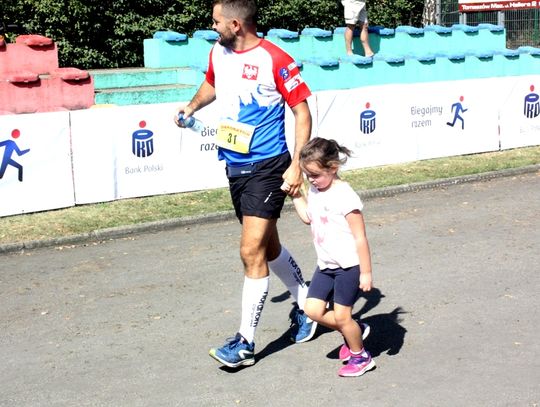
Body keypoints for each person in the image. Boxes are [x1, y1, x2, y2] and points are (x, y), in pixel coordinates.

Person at [174, 0, 317, 368]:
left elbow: (302, 111)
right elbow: (212, 83)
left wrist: (297, 168)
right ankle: (306, 304)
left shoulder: (275, 58)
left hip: (268, 166)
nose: (213, 26)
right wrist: (192, 108)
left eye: (217, 21)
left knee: (250, 252)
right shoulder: (217, 52)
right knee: (267, 248)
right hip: (234, 165)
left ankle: (244, 343)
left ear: (236, 24)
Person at [289, 137, 375, 377]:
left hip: (349, 266)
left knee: (341, 315)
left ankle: (361, 356)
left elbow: (360, 237)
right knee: (312, 310)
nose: (311, 180)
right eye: (307, 175)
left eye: (315, 175)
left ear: (333, 168)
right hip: (326, 265)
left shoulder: (344, 195)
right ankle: (353, 331)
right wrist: (296, 194)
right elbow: (308, 217)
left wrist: (366, 272)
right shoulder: (316, 190)